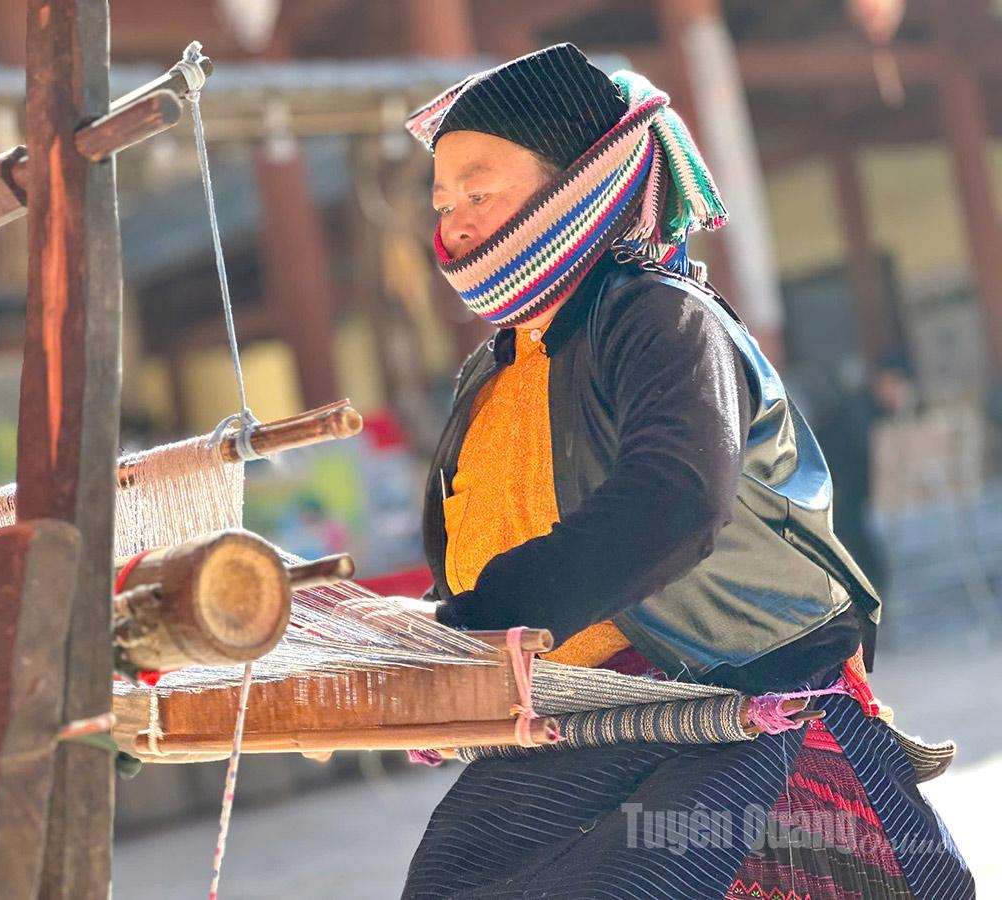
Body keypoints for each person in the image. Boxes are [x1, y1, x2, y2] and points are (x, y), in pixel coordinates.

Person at [400, 44, 973, 899]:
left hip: (730, 698)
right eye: (444, 201)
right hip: (583, 716)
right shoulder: (497, 367)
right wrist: (438, 644)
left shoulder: (660, 317)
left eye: (479, 192)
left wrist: (484, 622)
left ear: (580, 183)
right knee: (459, 879)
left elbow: (674, 498)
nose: (453, 222)